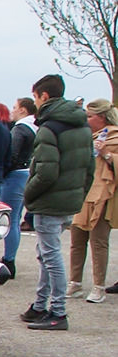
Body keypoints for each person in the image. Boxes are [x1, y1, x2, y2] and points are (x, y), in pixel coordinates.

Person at [20, 74, 94, 331]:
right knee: (46, 254)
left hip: (49, 200)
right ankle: (40, 305)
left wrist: (28, 195)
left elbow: (46, 172)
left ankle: (57, 311)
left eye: (36, 97)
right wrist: (79, 195)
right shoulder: (83, 126)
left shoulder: (50, 128)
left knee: (50, 256)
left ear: (44, 96)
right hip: (70, 198)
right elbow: (89, 167)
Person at [66, 98, 118, 303]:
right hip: (83, 192)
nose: (86, 120)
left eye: (90, 116)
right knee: (76, 241)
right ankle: (75, 283)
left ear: (102, 117)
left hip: (104, 195)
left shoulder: (115, 136)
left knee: (99, 242)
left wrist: (106, 154)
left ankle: (99, 286)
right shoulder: (85, 136)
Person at [0, 96, 38, 276]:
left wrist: (3, 172)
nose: (12, 111)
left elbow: (12, 155)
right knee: (15, 219)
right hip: (27, 173)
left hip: (15, 175)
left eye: (15, 107)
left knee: (10, 218)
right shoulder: (36, 127)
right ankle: (10, 257)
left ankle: (8, 260)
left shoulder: (21, 129)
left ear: (23, 110)